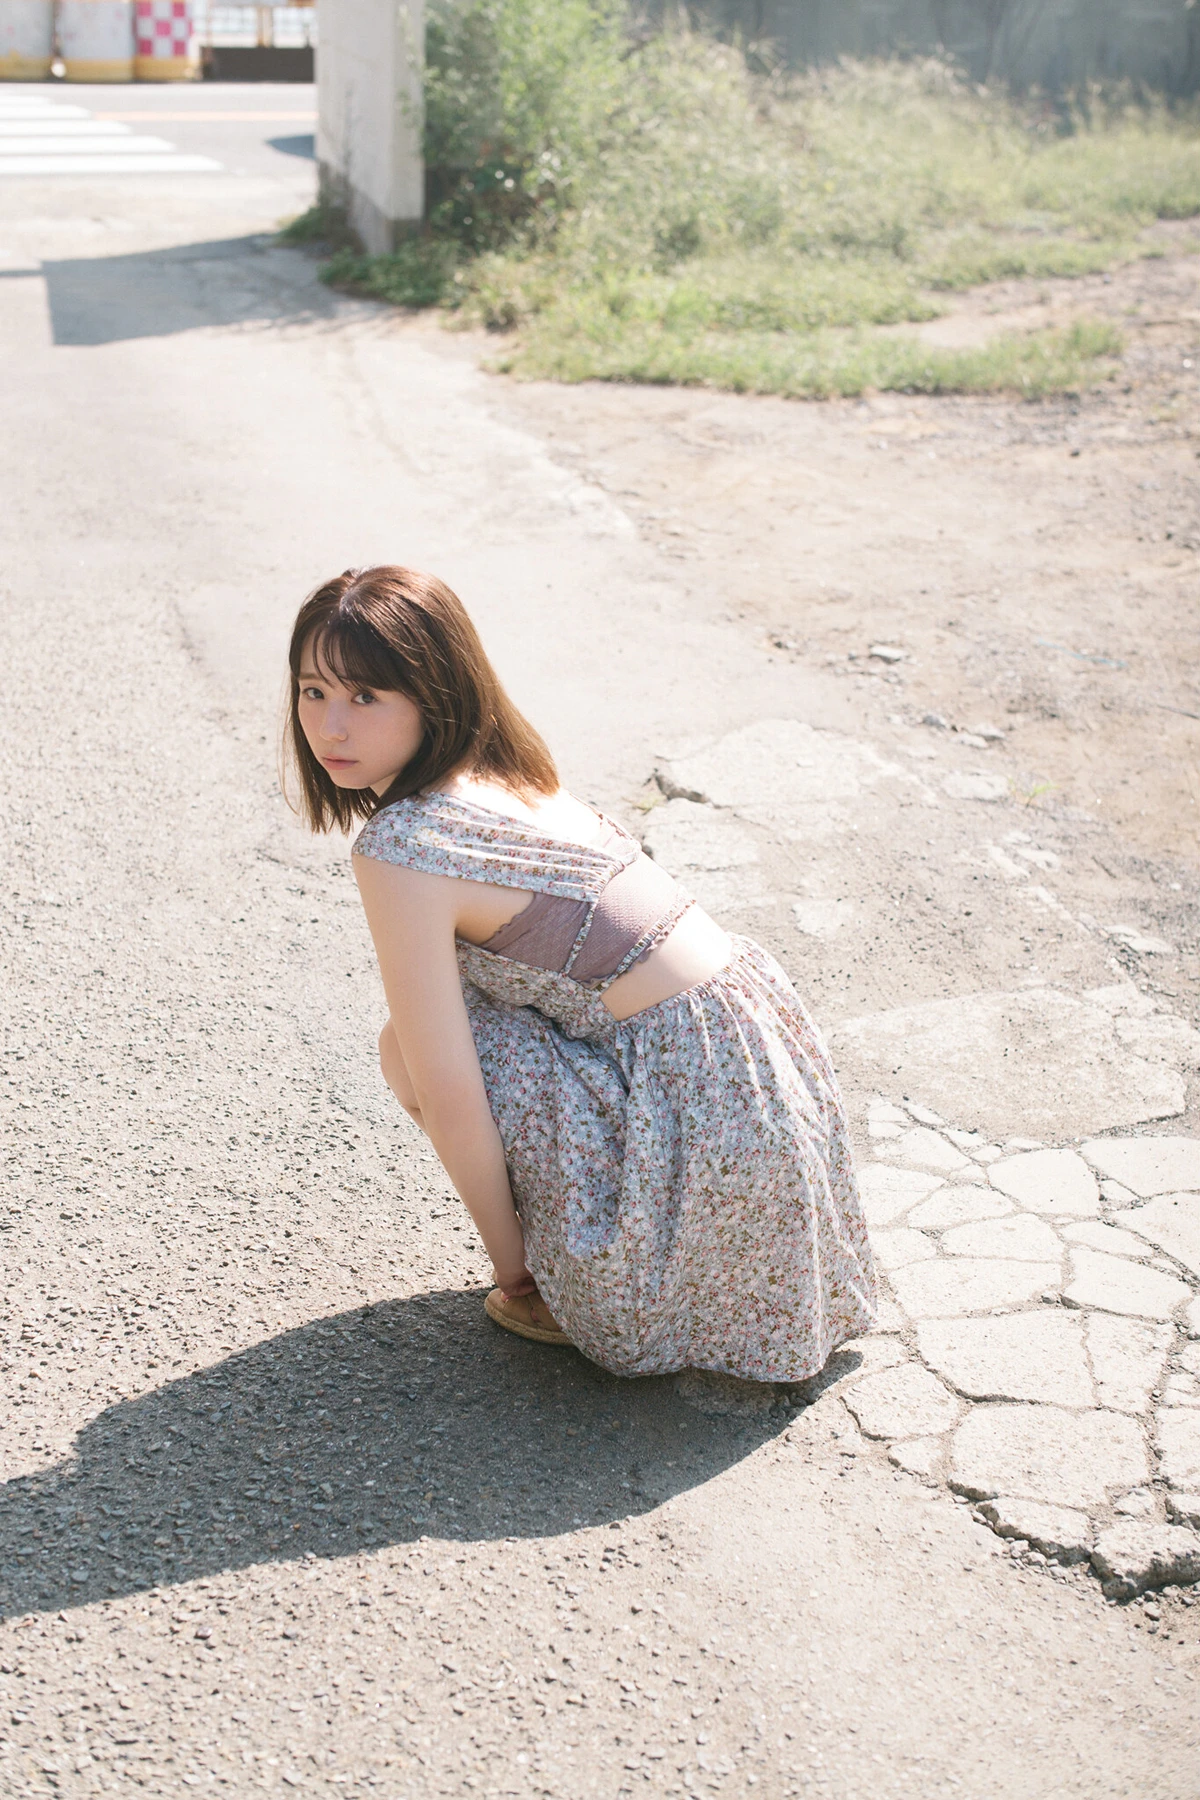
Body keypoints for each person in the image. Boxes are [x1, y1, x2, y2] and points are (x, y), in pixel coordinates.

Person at [285, 565, 875, 1381]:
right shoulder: (509, 772)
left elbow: (448, 1088)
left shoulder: (405, 844)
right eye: (312, 692)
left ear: (434, 694)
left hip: (704, 1122)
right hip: (758, 1086)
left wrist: (514, 1271)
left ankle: (570, 1282)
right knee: (452, 1022)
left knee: (407, 1050)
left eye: (366, 696)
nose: (331, 726)